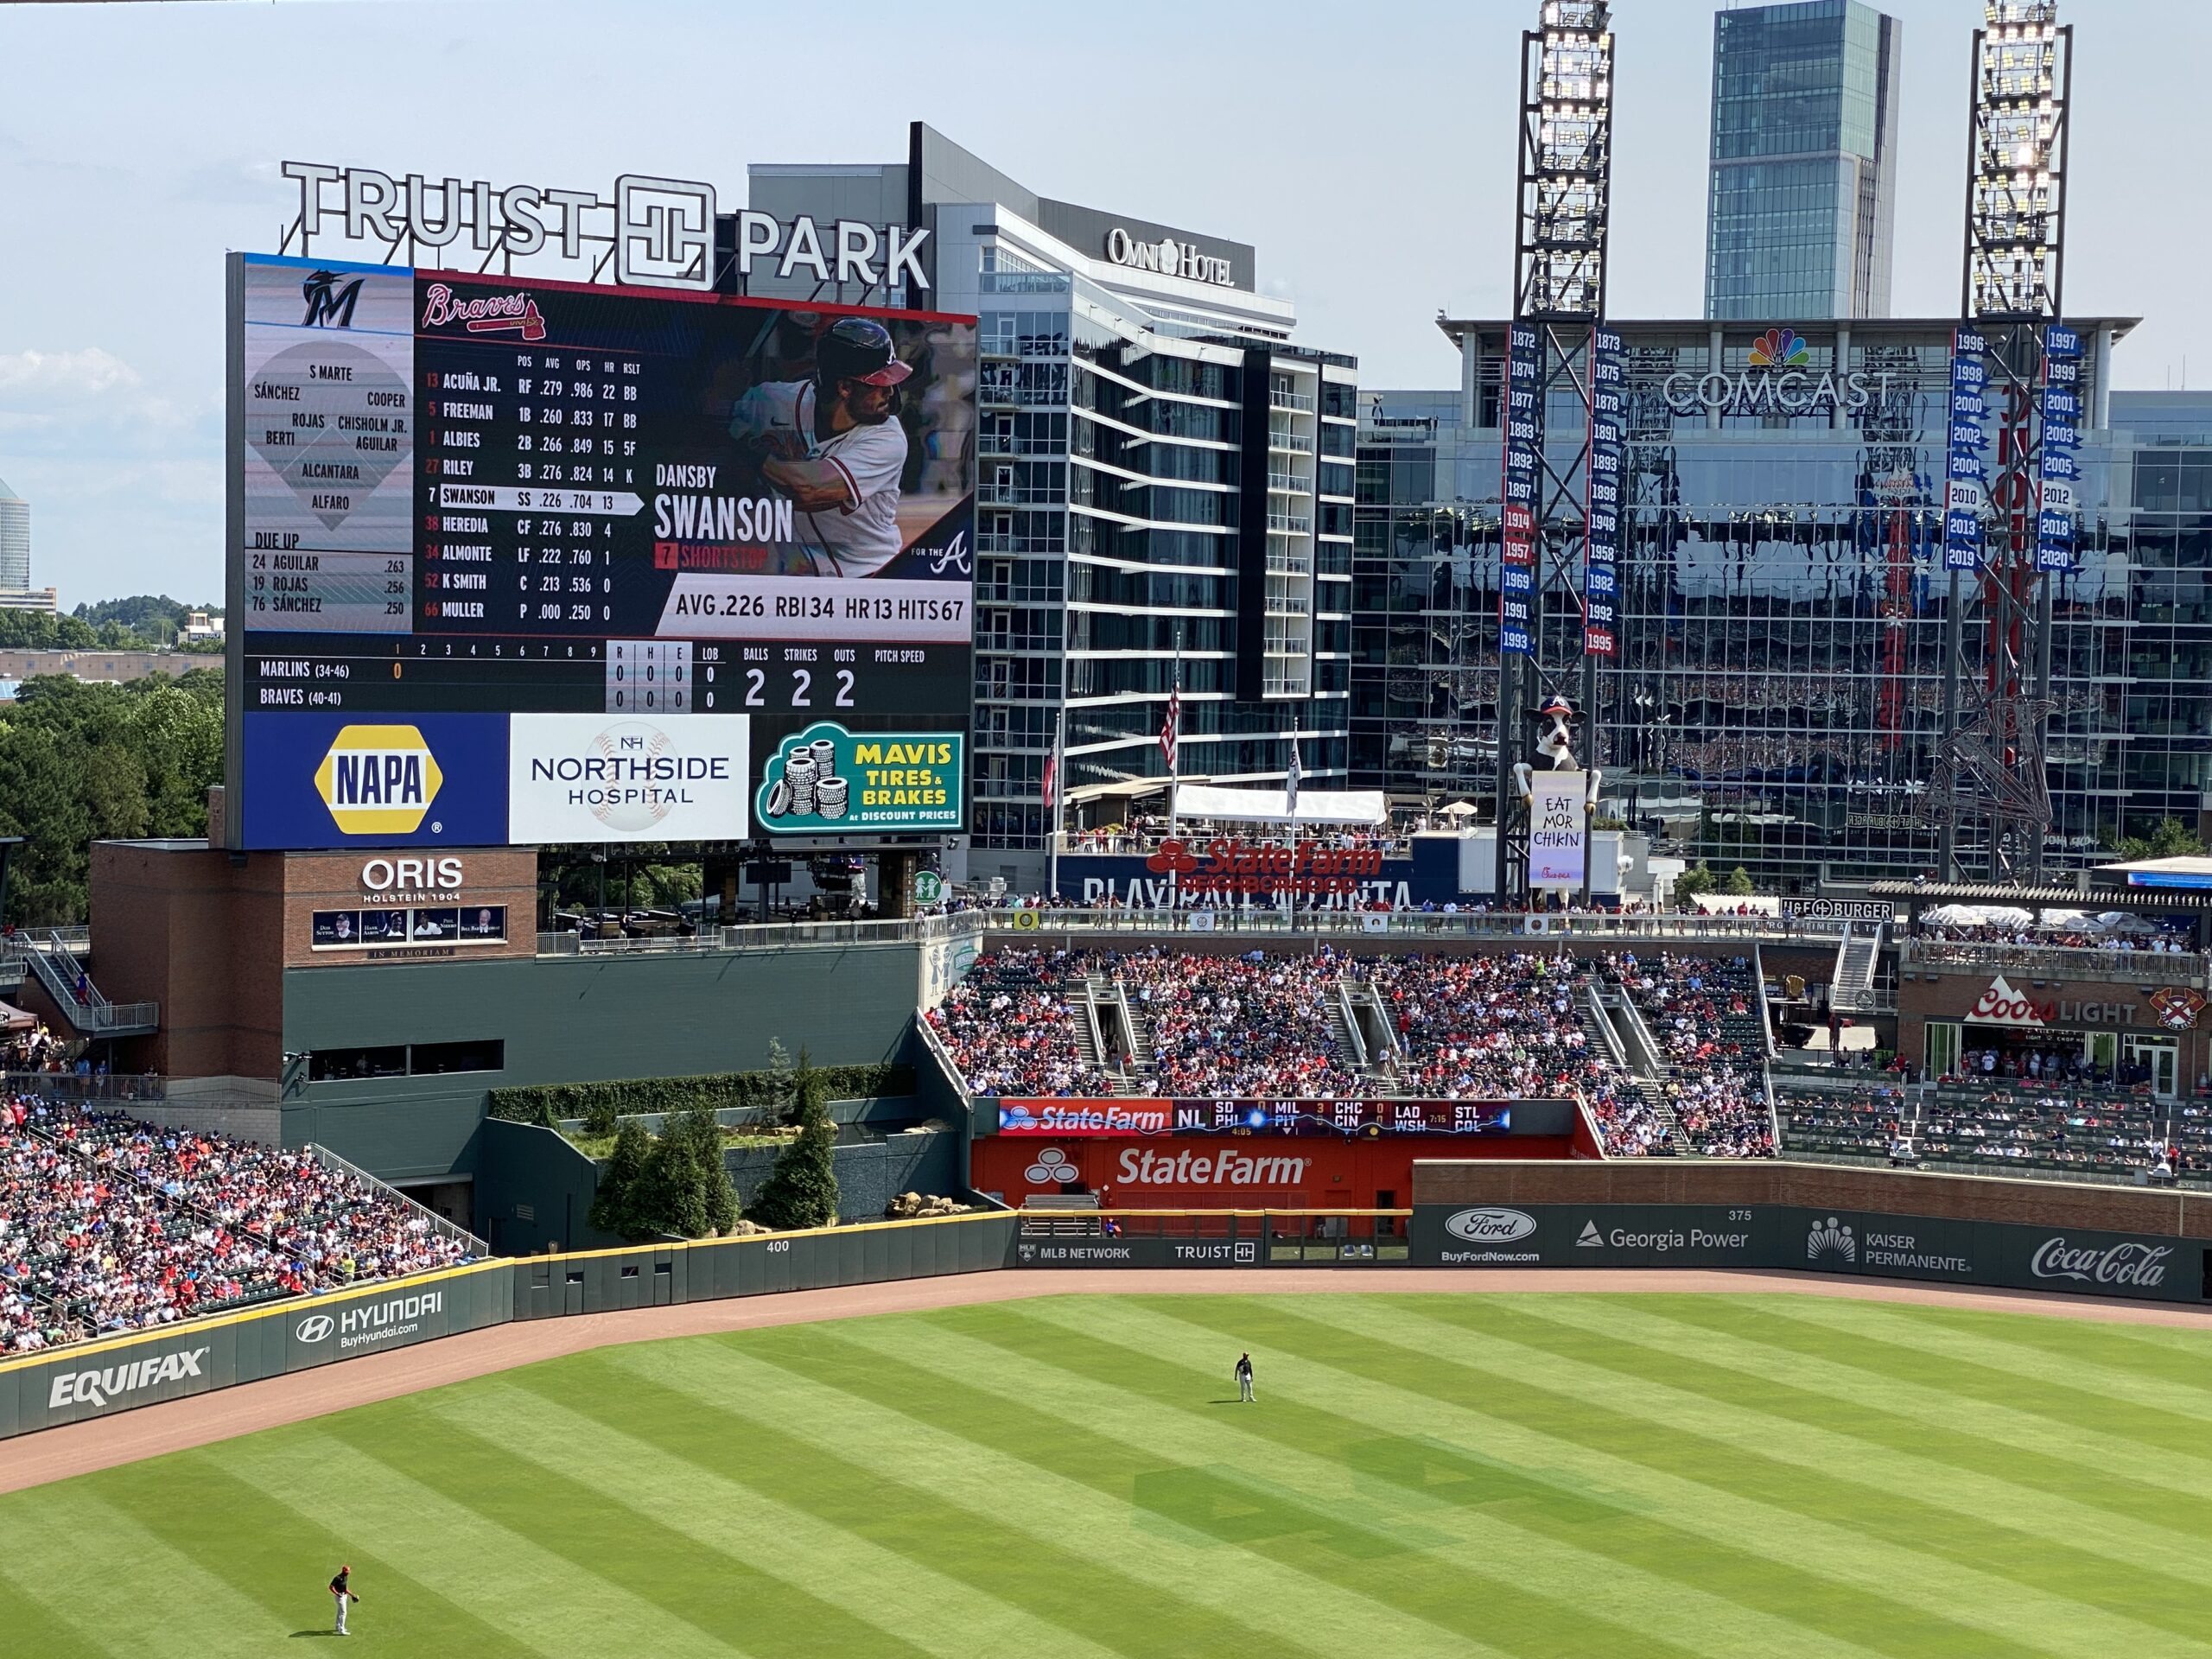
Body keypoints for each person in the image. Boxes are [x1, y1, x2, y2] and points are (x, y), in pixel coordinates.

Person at [728, 316, 914, 577]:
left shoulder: (887, 438)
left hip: (871, 577)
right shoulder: (773, 402)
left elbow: (807, 489)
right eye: (879, 384)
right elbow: (715, 414)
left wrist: (746, 444)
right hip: (804, 584)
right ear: (845, 387)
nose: (891, 393)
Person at [329, 1565, 359, 1636]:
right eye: (347, 1571)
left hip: (344, 1596)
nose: (349, 1572)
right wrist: (337, 1594)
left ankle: (338, 1626)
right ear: (344, 1571)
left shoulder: (345, 1577)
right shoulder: (337, 1578)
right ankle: (341, 1630)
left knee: (340, 1611)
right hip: (339, 1597)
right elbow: (331, 1587)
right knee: (343, 1612)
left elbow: (345, 1588)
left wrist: (352, 1595)